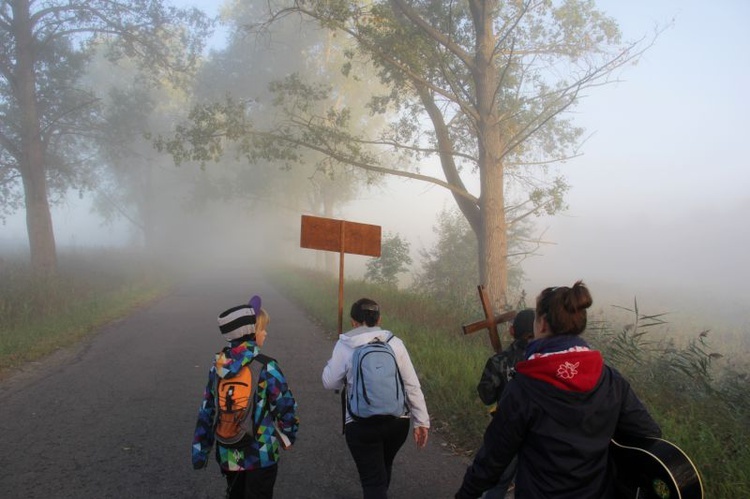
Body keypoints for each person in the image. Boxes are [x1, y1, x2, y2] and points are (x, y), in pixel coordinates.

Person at [456, 281, 662, 499]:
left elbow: (493, 458)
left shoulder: (525, 386)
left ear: (542, 324)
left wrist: (466, 494)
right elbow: (648, 433)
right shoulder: (610, 379)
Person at [192, 295, 299, 499]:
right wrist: (288, 433)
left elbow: (207, 410)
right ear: (251, 333)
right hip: (262, 455)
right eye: (262, 328)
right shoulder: (267, 366)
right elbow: (286, 406)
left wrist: (200, 451)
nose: (265, 333)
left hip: (228, 453)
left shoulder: (218, 367)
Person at [322, 298, 430, 499]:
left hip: (361, 423)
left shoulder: (345, 345)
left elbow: (330, 383)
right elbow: (411, 384)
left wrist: (334, 363)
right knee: (382, 469)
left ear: (353, 322)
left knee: (373, 481)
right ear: (379, 319)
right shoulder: (395, 343)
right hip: (397, 423)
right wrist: (421, 420)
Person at [475, 308, 535, 499]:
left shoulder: (500, 361)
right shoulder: (545, 362)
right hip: (538, 436)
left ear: (511, 331)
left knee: (497, 485)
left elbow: (486, 396)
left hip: (506, 433)